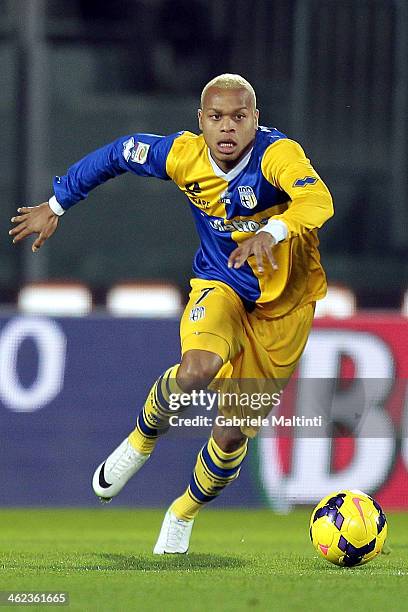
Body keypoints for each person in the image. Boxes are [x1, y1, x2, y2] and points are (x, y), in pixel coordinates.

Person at [9, 74, 333, 554]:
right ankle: (140, 441)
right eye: (217, 117)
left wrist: (274, 232)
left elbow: (317, 199)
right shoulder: (183, 156)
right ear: (200, 121)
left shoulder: (277, 156)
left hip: (285, 309)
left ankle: (181, 513)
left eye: (239, 117)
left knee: (228, 433)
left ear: (256, 120)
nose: (228, 128)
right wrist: (57, 202)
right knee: (196, 369)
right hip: (222, 284)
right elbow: (119, 153)